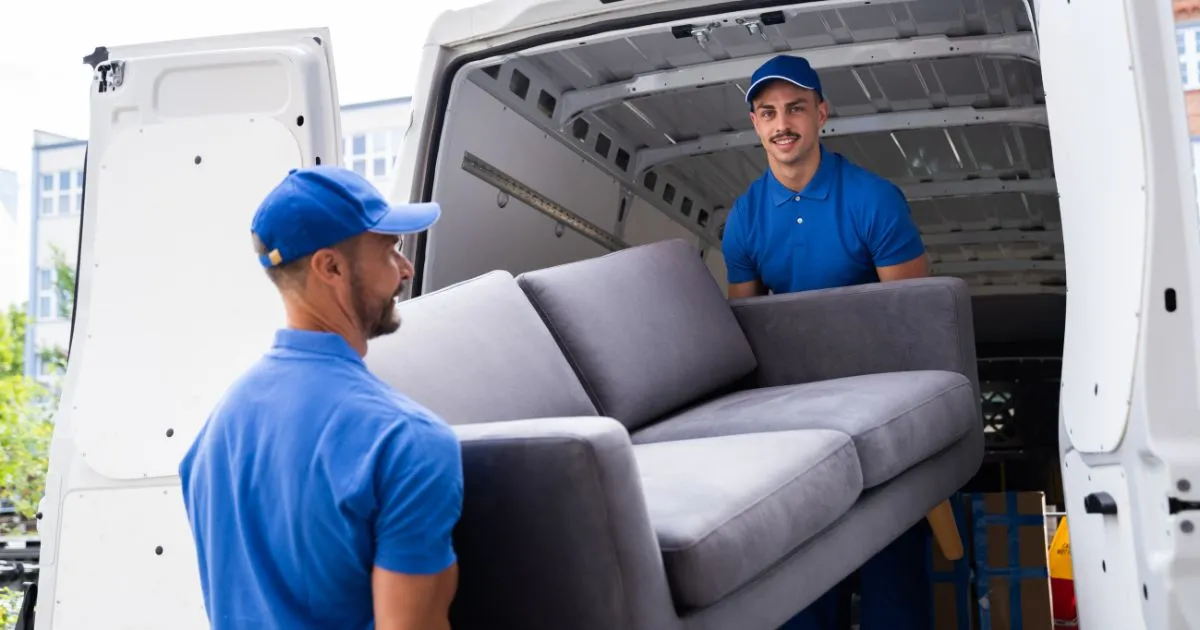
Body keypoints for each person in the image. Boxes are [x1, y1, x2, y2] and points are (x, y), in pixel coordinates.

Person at [178, 166, 464, 630]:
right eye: (390, 249)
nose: (406, 268)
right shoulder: (407, 440)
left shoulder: (216, 432)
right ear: (329, 266)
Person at [721, 55, 933, 630]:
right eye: (768, 112)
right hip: (796, 420)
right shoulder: (743, 219)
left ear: (821, 113)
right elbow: (745, 334)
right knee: (800, 578)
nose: (781, 123)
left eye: (794, 108)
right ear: (756, 124)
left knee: (894, 584)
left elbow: (917, 325)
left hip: (880, 408)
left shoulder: (872, 199)